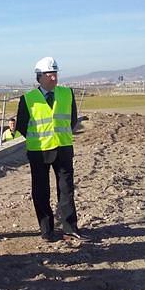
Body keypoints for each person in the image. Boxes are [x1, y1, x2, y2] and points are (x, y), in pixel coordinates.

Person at [15, 56, 90, 243]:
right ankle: (47, 230)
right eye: (49, 74)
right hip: (38, 151)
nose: (54, 78)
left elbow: (72, 120)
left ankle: (70, 228)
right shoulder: (28, 99)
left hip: (63, 148)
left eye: (55, 73)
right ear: (39, 77)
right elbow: (22, 125)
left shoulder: (67, 94)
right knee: (40, 191)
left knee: (66, 190)